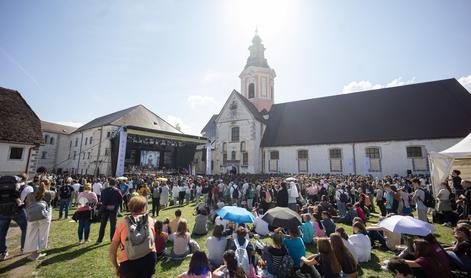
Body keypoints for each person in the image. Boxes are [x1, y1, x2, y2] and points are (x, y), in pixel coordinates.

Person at [109, 196, 157, 278]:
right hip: (149, 259)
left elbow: (112, 252)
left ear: (130, 207)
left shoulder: (122, 223)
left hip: (129, 263)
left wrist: (117, 267)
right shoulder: (150, 220)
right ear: (144, 207)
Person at [23, 179, 55, 260]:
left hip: (32, 215)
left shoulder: (30, 194)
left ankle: (34, 253)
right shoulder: (50, 193)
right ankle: (37, 252)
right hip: (44, 215)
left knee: (32, 234)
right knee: (42, 234)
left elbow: (27, 203)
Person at [0, 174, 28, 260]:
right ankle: (24, 248)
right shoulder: (17, 181)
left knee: (2, 232)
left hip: (2, 210)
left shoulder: (2, 181)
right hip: (16, 210)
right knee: (25, 228)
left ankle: (2, 252)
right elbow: (16, 195)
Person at [96, 178, 122, 244]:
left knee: (103, 224)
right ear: (115, 183)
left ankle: (99, 239)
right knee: (113, 225)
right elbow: (120, 199)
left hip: (105, 208)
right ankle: (112, 239)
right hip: (112, 208)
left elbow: (101, 200)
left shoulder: (104, 190)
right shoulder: (117, 190)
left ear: (109, 183)